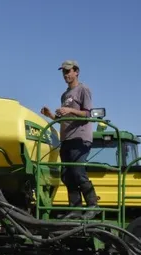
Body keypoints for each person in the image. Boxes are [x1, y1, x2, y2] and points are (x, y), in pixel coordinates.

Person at [41, 60, 99, 220]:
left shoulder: (83, 89)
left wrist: (70, 110)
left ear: (76, 72)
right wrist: (50, 116)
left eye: (68, 71)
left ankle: (94, 205)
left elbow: (88, 114)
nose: (66, 75)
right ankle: (76, 209)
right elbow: (62, 120)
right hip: (66, 138)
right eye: (63, 72)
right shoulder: (64, 95)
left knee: (78, 172)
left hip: (80, 138)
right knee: (66, 175)